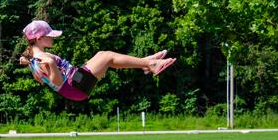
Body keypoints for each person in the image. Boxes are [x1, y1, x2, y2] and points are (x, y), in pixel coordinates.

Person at [18, 20, 175, 102]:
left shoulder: (35, 57)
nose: (52, 37)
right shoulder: (43, 59)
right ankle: (150, 64)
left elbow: (39, 78)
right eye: (49, 35)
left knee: (103, 55)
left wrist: (28, 61)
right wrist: (52, 64)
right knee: (107, 57)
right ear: (39, 38)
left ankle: (144, 63)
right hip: (75, 87)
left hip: (75, 80)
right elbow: (57, 83)